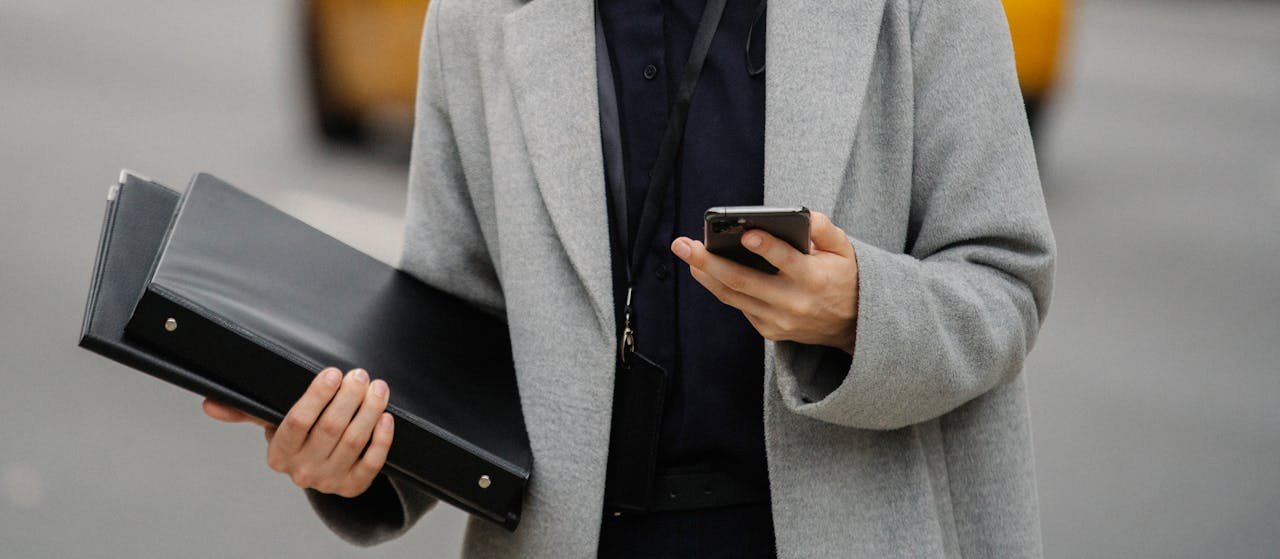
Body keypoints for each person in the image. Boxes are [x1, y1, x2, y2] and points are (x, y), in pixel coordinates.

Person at [205, 0, 1056, 556]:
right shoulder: (478, 16)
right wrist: (359, 450)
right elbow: (455, 334)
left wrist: (857, 313)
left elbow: (1004, 277)